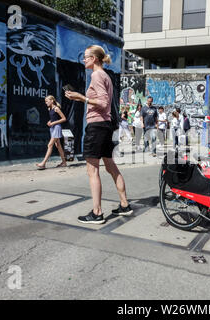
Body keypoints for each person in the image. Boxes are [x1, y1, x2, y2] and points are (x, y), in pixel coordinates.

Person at [65, 45, 132, 224]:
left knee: (92, 170)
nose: (84, 60)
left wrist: (81, 98)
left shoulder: (96, 75)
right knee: (111, 167)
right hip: (107, 126)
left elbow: (102, 102)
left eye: (86, 57)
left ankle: (97, 213)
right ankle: (125, 205)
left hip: (97, 126)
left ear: (94, 58)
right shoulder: (107, 76)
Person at [36, 95, 67, 169]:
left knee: (50, 145)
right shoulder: (49, 109)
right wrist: (50, 121)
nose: (46, 103)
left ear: (52, 101)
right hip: (52, 128)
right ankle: (64, 162)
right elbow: (53, 118)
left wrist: (53, 123)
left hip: (56, 127)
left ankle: (43, 163)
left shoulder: (56, 108)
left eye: (47, 101)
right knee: (58, 145)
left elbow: (64, 119)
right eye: (45, 101)